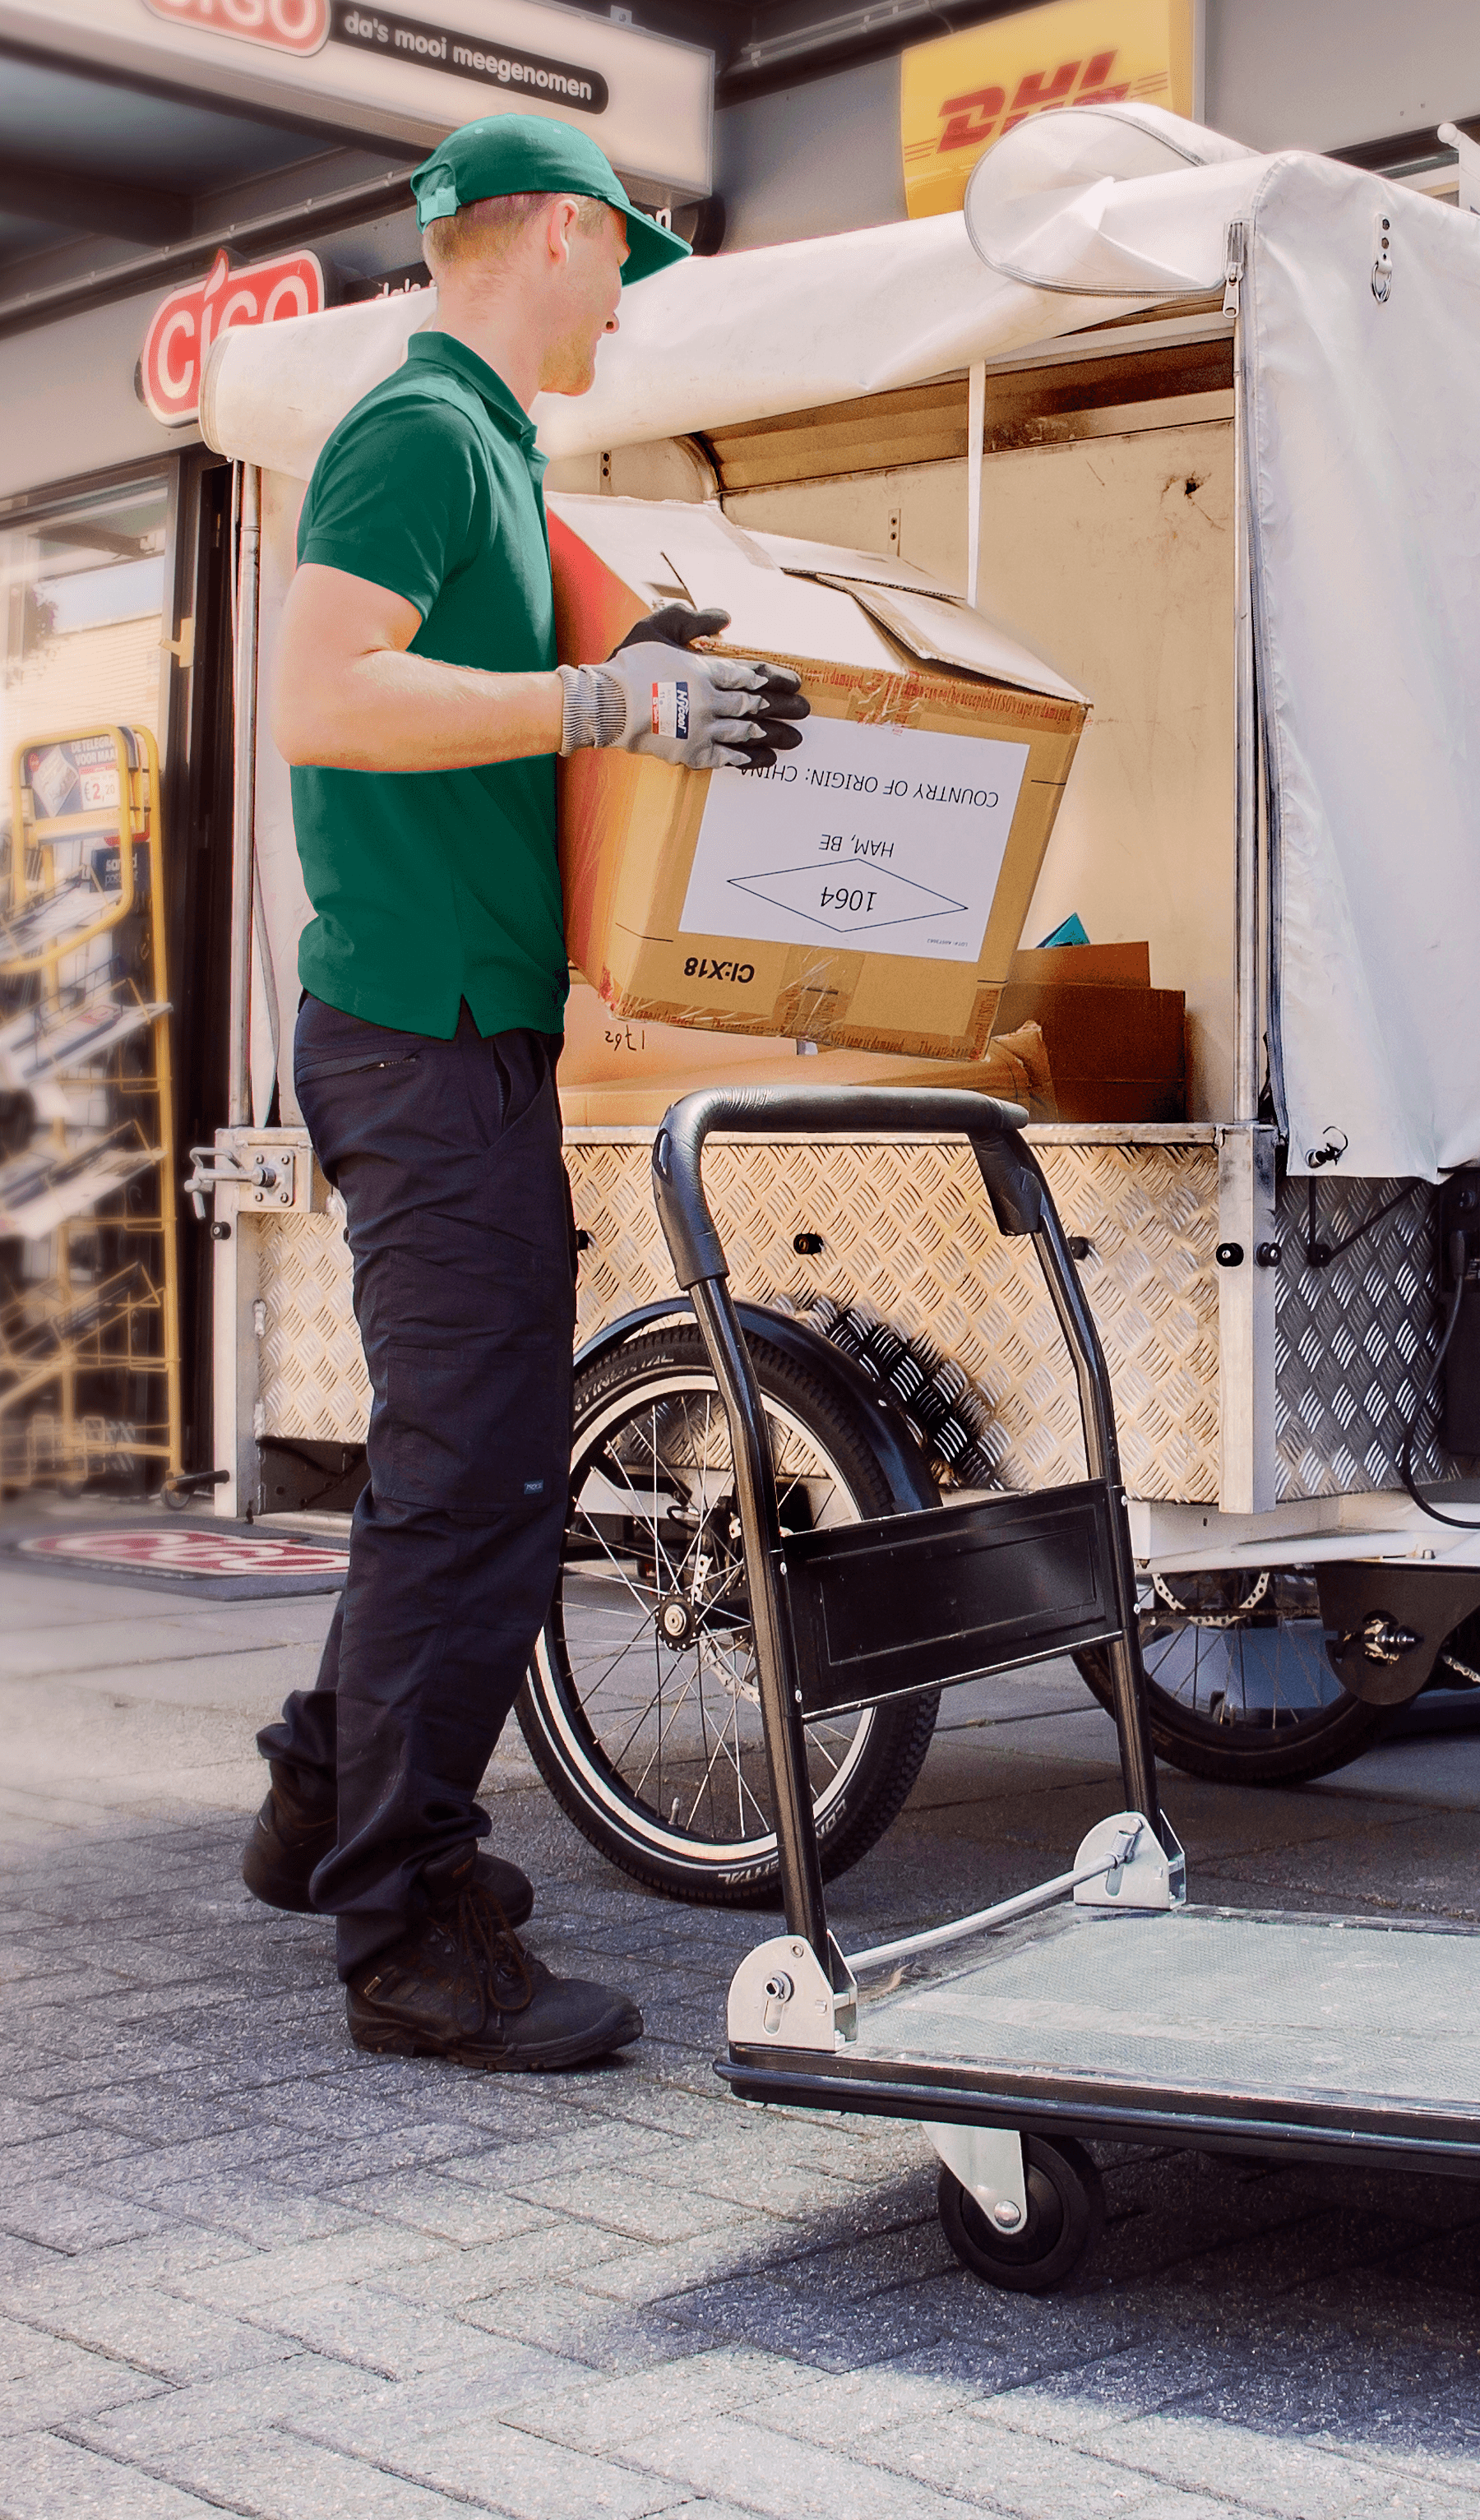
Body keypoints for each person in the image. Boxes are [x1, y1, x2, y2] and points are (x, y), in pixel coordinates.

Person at [242, 113, 808, 2069]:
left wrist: (638, 674)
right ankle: (408, 1930)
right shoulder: (419, 432)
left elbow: (478, 725)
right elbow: (319, 698)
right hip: (419, 1029)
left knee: (448, 1459)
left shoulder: (490, 452)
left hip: (456, 1025)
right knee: (477, 1483)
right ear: (555, 232)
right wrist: (600, 697)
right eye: (618, 265)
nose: (623, 312)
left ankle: (324, 1794)